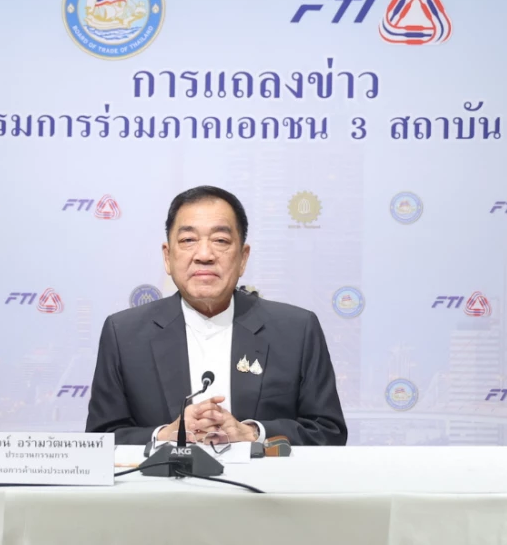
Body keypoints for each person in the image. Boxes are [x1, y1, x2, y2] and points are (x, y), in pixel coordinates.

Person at [87, 185, 347, 449]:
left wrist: (253, 434)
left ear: (243, 258)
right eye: (188, 240)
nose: (204, 255)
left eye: (220, 241)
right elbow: (101, 439)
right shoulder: (124, 334)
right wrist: (164, 435)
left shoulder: (296, 330)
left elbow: (329, 433)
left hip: (263, 477)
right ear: (167, 257)